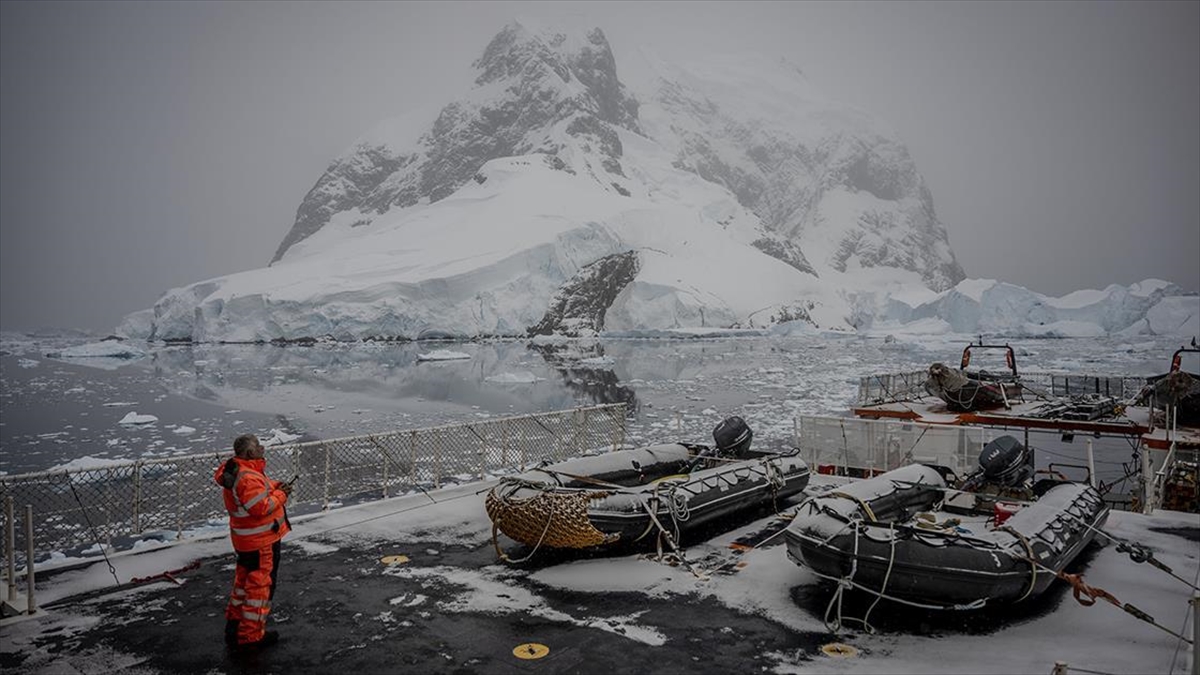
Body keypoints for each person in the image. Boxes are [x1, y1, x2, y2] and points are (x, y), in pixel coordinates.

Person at [214, 433, 293, 652]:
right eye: (258, 446)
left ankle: (235, 625)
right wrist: (281, 495)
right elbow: (260, 507)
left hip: (246, 540)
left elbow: (262, 487)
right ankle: (250, 635)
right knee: (260, 588)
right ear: (249, 452)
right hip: (261, 542)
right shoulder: (247, 477)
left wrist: (276, 485)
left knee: (243, 584)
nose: (262, 449)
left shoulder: (239, 470)